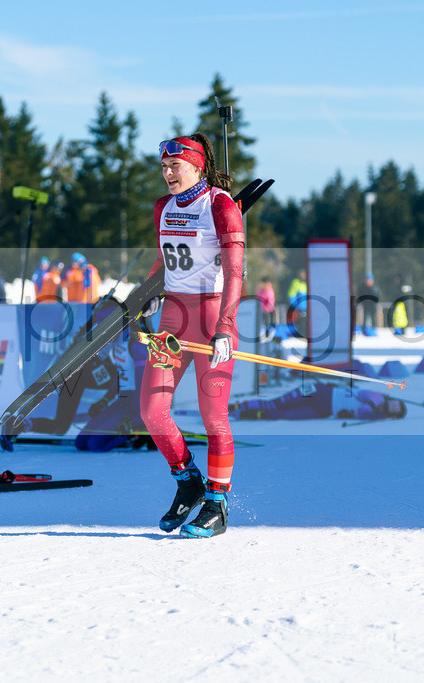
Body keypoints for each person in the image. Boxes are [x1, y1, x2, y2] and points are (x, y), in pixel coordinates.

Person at [139, 133, 244, 538]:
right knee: (152, 410)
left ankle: (217, 505)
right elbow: (165, 255)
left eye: (175, 166)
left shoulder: (221, 206)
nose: (167, 174)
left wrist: (225, 326)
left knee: (214, 416)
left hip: (213, 314)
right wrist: (150, 292)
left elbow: (235, 272)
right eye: (163, 167)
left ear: (197, 166)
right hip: (173, 319)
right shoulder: (162, 208)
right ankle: (189, 482)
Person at [228, 382, 408, 422]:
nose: (386, 407)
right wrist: (380, 415)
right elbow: (364, 412)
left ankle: (245, 414)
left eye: (390, 410)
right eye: (389, 404)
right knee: (275, 404)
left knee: (282, 415)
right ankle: (236, 406)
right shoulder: (377, 397)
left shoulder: (380, 408)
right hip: (317, 392)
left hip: (324, 410)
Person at [287, 270, 307, 336]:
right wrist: (294, 305)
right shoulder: (296, 283)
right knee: (301, 321)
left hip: (305, 307)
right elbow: (291, 295)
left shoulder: (304, 284)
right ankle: (300, 335)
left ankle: (303, 334)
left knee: (304, 321)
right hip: (299, 307)